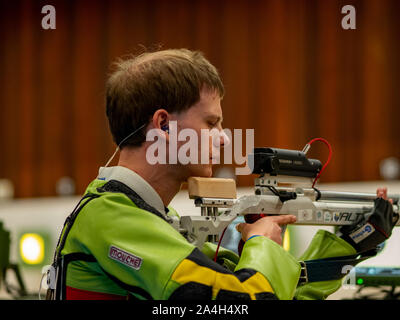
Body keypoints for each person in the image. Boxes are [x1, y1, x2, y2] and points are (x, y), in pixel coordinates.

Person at [49, 49, 397, 300]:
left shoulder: (151, 218)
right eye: (211, 123)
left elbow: (271, 289)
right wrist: (261, 243)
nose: (225, 137)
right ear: (163, 125)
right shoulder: (113, 218)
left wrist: (348, 246)